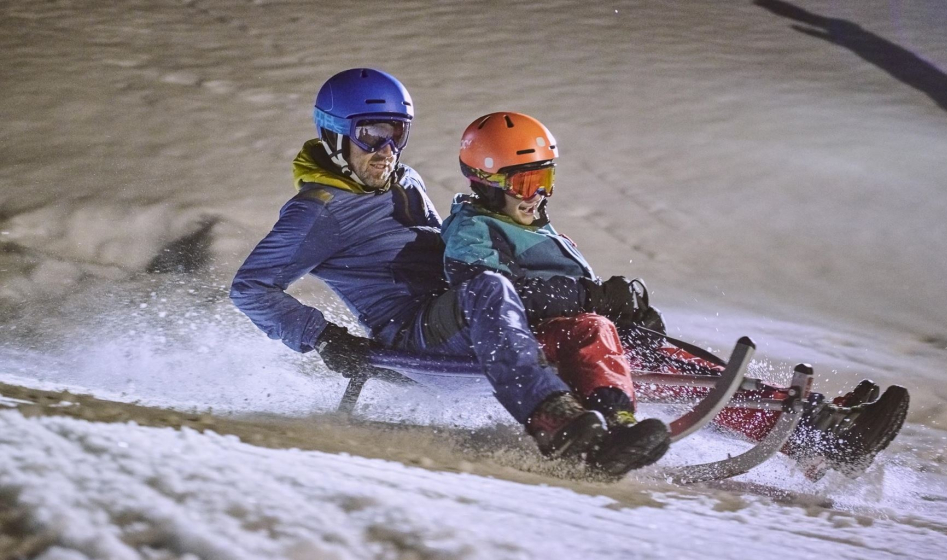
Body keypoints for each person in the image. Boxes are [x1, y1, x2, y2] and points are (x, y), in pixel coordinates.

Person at [441, 112, 910, 480]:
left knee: (688, 366)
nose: (537, 196)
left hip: (581, 338)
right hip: (544, 347)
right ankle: (812, 431)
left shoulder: (528, 224)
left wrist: (625, 311)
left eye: (545, 182)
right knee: (659, 360)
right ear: (487, 181)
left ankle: (818, 425)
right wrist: (592, 298)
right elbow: (492, 296)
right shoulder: (473, 228)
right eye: (525, 184)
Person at [231, 69, 645, 474]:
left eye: (397, 133)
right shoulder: (317, 212)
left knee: (584, 323)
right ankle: (552, 417)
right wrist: (324, 338)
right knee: (490, 287)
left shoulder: (405, 180)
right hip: (415, 335)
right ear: (336, 135)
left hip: (466, 314)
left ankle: (623, 425)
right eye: (372, 134)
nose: (387, 149)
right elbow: (251, 287)